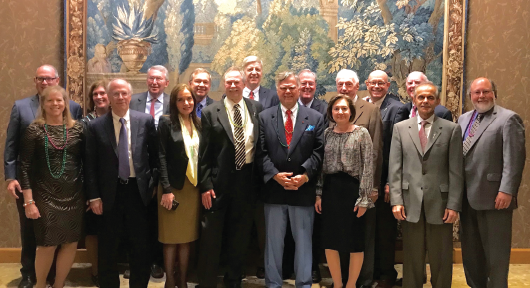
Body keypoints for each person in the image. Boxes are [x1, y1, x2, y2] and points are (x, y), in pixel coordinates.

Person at [4, 64, 82, 288]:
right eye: (41, 78)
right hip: (38, 187)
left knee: (67, 241)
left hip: (71, 191)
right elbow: (13, 148)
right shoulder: (21, 108)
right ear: (35, 80)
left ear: (57, 80)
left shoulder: (75, 111)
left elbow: (78, 152)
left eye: (50, 78)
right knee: (35, 235)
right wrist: (11, 178)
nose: (46, 82)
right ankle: (31, 276)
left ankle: (55, 280)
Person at [85, 78, 159, 288]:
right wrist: (94, 196)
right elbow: (90, 164)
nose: (120, 97)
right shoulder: (95, 126)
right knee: (108, 247)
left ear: (130, 95)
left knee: (140, 246)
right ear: (108, 97)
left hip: (138, 192)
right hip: (109, 194)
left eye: (124, 93)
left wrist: (152, 185)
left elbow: (154, 157)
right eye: (115, 93)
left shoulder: (144, 120)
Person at [389, 82, 464, 288]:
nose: (425, 101)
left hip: (441, 203)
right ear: (414, 99)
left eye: (430, 97)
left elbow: (456, 171)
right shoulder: (400, 129)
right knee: (412, 256)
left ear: (437, 101)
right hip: (409, 201)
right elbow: (395, 169)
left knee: (441, 256)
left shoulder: (451, 129)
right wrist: (396, 200)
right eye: (421, 97)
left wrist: (454, 204)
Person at [257, 71, 324, 288]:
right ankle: (273, 283)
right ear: (277, 90)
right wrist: (275, 175)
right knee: (273, 244)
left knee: (304, 242)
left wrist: (304, 175)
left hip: (302, 190)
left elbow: (319, 152)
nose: (287, 91)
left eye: (291, 87)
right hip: (274, 190)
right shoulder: (265, 117)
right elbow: (261, 151)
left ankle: (303, 283)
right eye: (283, 87)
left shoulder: (314, 118)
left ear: (298, 89)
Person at [197, 67, 263, 288]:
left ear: (244, 84)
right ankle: (207, 282)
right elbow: (204, 154)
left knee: (240, 235)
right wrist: (205, 185)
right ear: (223, 85)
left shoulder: (256, 109)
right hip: (218, 183)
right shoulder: (211, 112)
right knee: (212, 236)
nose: (233, 85)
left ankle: (234, 280)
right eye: (229, 82)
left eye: (237, 82)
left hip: (246, 181)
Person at [458, 77, 526, 288]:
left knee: (496, 253)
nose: (481, 96)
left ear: (494, 93)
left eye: (485, 91)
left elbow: (514, 159)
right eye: (476, 93)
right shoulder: (463, 119)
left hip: (495, 197)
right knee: (471, 252)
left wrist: (507, 190)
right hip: (466, 197)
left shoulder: (508, 119)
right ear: (470, 96)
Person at [314, 94, 374, 288]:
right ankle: (338, 284)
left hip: (353, 192)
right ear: (331, 112)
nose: (340, 112)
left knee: (355, 241)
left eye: (344, 108)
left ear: (351, 111)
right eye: (336, 109)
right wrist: (319, 193)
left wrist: (364, 199)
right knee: (331, 241)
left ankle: (351, 284)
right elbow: (321, 167)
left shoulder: (362, 133)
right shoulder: (325, 134)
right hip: (331, 192)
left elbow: (368, 167)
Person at [335, 69, 383, 288]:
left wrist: (372, 187)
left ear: (357, 86)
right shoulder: (335, 108)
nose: (344, 88)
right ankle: (344, 279)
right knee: (343, 232)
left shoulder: (371, 110)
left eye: (348, 84)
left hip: (363, 185)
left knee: (364, 234)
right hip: (339, 187)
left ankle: (363, 280)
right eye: (340, 84)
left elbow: (375, 152)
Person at [281, 69, 328, 283]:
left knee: (311, 230)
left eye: (311, 84)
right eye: (303, 83)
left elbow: (320, 147)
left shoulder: (323, 110)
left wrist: (305, 173)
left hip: (310, 179)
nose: (307, 87)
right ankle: (288, 266)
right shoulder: (281, 110)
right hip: (282, 180)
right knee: (286, 229)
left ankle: (311, 268)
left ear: (314, 86)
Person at [364, 70, 407, 288]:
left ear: (388, 85)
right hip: (364, 179)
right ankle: (369, 271)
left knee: (385, 230)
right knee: (368, 228)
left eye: (381, 83)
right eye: (373, 83)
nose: (377, 86)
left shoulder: (397, 108)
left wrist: (391, 181)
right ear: (367, 84)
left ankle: (386, 274)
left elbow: (395, 149)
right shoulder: (361, 105)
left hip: (384, 178)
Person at [157, 84, 201, 288]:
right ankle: (170, 280)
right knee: (170, 238)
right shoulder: (166, 122)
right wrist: (166, 190)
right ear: (174, 102)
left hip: (192, 188)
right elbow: (161, 156)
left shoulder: (199, 123)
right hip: (172, 188)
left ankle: (182, 280)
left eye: (189, 99)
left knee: (186, 238)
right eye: (181, 99)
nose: (186, 103)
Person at [129, 65, 170, 279]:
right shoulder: (133, 101)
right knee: (137, 219)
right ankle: (136, 262)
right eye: (151, 78)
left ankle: (156, 262)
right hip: (137, 168)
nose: (154, 82)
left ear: (166, 83)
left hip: (164, 168)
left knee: (157, 219)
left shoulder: (175, 102)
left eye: (159, 79)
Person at [81, 80, 111, 287]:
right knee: (92, 231)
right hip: (91, 184)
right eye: (95, 94)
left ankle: (110, 267)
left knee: (111, 229)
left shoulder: (118, 120)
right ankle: (95, 270)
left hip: (113, 184)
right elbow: (82, 157)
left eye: (103, 93)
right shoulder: (84, 123)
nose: (99, 97)